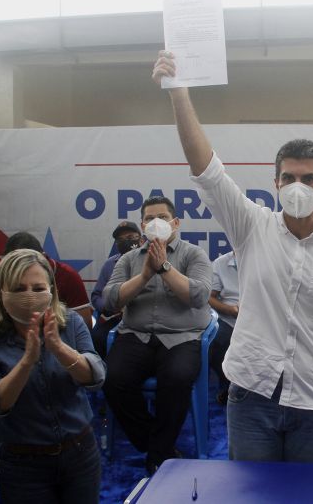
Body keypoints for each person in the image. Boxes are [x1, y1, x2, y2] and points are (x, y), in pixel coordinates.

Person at [153, 52, 313, 464]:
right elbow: (206, 170)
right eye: (289, 178)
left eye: (308, 179)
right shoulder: (251, 226)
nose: (299, 187)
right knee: (251, 495)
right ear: (275, 182)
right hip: (251, 396)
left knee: (311, 498)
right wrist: (179, 93)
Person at [0, 249, 105, 504]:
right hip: (23, 464)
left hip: (80, 453)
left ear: (51, 290)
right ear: (1, 292)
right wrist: (26, 362)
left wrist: (59, 349)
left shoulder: (71, 322)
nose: (29, 295)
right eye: (19, 289)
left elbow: (96, 377)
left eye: (37, 287)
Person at [102, 196, 212, 474]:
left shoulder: (193, 255)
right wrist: (144, 276)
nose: (156, 223)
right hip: (135, 335)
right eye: (150, 218)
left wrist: (164, 268)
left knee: (176, 380)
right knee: (113, 380)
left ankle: (158, 454)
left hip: (182, 336)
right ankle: (157, 444)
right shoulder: (128, 259)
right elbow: (110, 300)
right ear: (142, 226)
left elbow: (198, 296)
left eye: (162, 217)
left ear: (175, 223)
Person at [4, 233, 93, 329]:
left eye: (38, 289)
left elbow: (85, 325)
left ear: (43, 256)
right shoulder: (5, 276)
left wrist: (58, 340)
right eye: (19, 289)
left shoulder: (68, 276)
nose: (29, 295)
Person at [89, 221, 142, 358]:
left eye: (130, 238)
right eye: (120, 240)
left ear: (141, 240)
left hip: (145, 318)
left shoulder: (151, 260)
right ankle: (101, 376)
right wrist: (109, 307)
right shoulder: (110, 264)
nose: (126, 242)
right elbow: (96, 296)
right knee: (97, 337)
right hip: (119, 317)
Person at [207, 250, 239, 404]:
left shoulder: (271, 260)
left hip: (261, 319)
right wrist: (229, 311)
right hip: (228, 318)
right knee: (214, 341)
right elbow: (209, 297)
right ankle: (228, 386)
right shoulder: (220, 263)